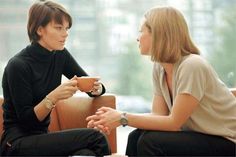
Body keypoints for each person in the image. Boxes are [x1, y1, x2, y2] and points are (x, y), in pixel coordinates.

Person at [87, 6, 236, 156]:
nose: (137, 37)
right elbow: (159, 115)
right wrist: (115, 117)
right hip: (202, 137)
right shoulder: (160, 68)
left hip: (227, 141)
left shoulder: (192, 65)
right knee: (136, 136)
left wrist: (122, 118)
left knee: (150, 141)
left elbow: (173, 123)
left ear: (158, 34)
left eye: (141, 31)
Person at [0, 0, 110, 156]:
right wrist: (54, 97)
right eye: (59, 28)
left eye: (66, 28)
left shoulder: (60, 55)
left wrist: (97, 89)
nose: (65, 33)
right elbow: (27, 122)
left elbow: (88, 84)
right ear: (39, 30)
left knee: (87, 153)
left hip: (42, 139)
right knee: (96, 138)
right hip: (17, 143)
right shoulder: (18, 65)